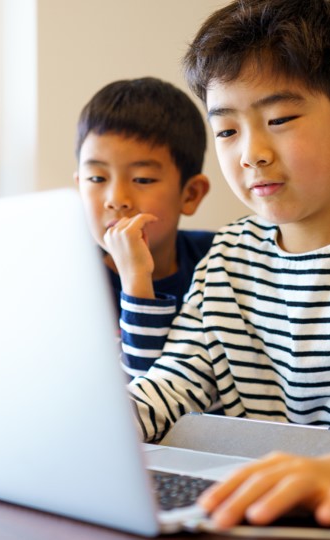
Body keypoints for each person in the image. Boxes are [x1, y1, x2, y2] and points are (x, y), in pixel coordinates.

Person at [124, 0, 330, 528]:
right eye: (227, 131)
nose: (251, 153)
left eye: (280, 119)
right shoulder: (231, 256)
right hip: (243, 509)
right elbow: (174, 382)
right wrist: (98, 428)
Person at [73, 77, 213, 378]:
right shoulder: (73, 284)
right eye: (97, 179)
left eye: (143, 180)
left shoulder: (218, 260)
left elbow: (168, 399)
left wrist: (136, 275)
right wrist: (135, 278)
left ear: (190, 195)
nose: (117, 200)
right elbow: (139, 398)